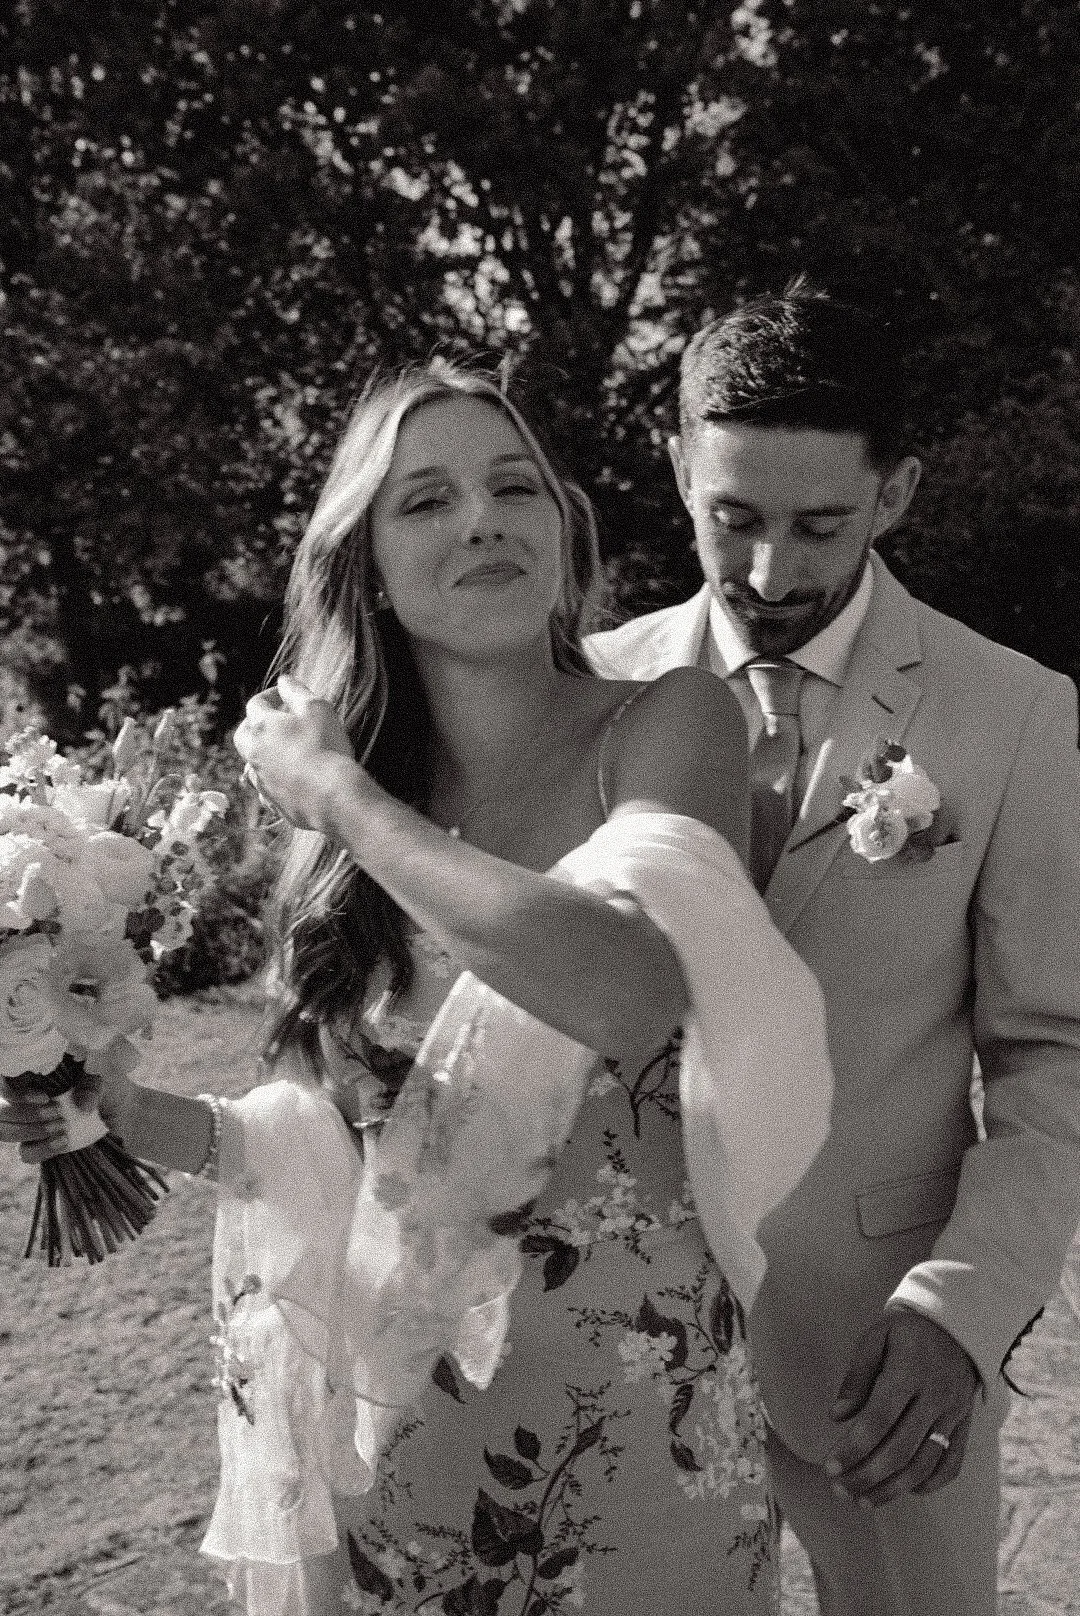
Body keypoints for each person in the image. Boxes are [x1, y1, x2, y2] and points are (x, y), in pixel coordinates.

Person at [1, 363, 835, 1616]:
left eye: (514, 487)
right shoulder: (344, 840)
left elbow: (623, 987)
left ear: (565, 528)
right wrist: (108, 1106)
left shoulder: (667, 724)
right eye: (426, 500)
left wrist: (337, 794)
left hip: (647, 1445)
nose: (482, 519)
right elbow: (325, 1148)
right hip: (406, 1451)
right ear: (369, 567)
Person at [586, 281, 1080, 1616]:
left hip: (884, 1354)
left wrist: (961, 1312)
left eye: (821, 525)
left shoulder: (1016, 714)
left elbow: (1054, 1056)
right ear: (677, 465)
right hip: (612, 1345)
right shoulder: (588, 688)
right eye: (731, 518)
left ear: (901, 492)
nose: (768, 573)